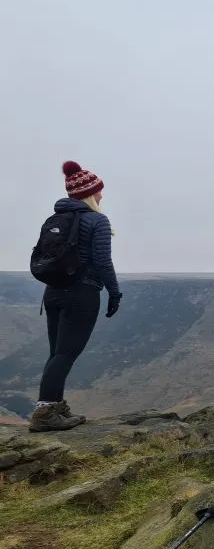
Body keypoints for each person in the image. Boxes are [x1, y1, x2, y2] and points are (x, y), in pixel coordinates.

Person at [29, 161, 122, 432]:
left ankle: (53, 406)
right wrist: (114, 293)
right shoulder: (97, 220)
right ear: (89, 194)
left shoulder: (55, 219)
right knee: (67, 353)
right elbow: (103, 263)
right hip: (82, 293)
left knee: (56, 353)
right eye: (98, 191)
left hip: (53, 293)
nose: (102, 195)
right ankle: (45, 413)